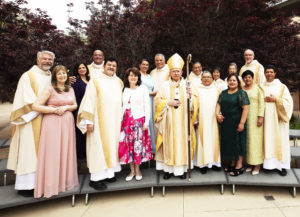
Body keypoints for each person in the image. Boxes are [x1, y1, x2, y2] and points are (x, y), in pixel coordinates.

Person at [7, 50, 55, 197]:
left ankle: (44, 183)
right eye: (45, 59)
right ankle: (27, 185)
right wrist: (43, 110)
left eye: (50, 60)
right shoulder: (28, 76)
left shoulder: (51, 77)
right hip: (31, 120)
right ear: (38, 60)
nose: (47, 62)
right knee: (29, 153)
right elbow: (26, 100)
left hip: (49, 120)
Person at [32, 65, 78, 198]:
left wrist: (66, 107)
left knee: (65, 151)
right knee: (53, 153)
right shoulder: (49, 89)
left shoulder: (70, 89)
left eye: (64, 73)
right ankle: (50, 186)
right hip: (52, 124)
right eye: (59, 74)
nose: (62, 76)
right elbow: (36, 106)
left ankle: (63, 182)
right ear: (55, 76)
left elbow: (75, 105)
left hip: (67, 124)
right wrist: (54, 110)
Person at [77, 57, 123, 190]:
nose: (111, 67)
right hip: (98, 122)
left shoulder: (118, 82)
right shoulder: (95, 81)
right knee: (98, 149)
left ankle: (109, 173)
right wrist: (88, 121)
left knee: (112, 147)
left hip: (114, 122)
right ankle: (95, 179)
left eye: (114, 66)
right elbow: (89, 101)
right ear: (103, 66)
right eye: (109, 65)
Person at [154, 53, 198, 179]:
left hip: (184, 123)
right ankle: (168, 170)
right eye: (173, 71)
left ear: (182, 71)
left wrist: (191, 97)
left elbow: (195, 102)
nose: (176, 74)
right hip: (169, 122)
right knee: (169, 144)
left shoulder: (188, 85)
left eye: (178, 71)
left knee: (183, 145)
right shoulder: (164, 86)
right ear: (170, 72)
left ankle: (182, 170)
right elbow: (157, 102)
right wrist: (168, 102)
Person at [119, 67, 153, 181]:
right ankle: (131, 170)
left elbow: (147, 106)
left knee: (137, 146)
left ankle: (138, 169)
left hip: (138, 122)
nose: (133, 77)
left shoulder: (142, 89)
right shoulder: (125, 89)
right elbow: (122, 106)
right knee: (128, 146)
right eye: (130, 75)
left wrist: (146, 122)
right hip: (126, 123)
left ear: (138, 77)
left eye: (135, 75)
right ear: (127, 77)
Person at [262, 65, 293, 176]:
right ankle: (268, 165)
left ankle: (282, 166)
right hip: (266, 120)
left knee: (280, 141)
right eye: (267, 72)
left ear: (275, 73)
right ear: (264, 73)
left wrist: (276, 99)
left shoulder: (282, 87)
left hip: (278, 120)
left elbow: (288, 102)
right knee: (268, 141)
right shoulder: (261, 86)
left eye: (271, 72)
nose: (269, 74)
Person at [216, 74, 250, 176]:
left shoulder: (241, 93)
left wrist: (242, 123)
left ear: (238, 82)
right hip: (227, 123)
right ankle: (232, 162)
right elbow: (218, 104)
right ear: (227, 82)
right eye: (230, 80)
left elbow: (246, 108)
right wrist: (217, 114)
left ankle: (239, 165)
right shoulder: (223, 93)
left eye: (234, 80)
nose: (232, 82)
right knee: (230, 143)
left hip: (237, 122)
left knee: (238, 143)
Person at [194, 71, 221, 174]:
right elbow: (194, 106)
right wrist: (195, 120)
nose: (206, 79)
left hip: (213, 119)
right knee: (202, 141)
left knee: (214, 140)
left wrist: (219, 114)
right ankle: (203, 164)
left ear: (212, 78)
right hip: (202, 120)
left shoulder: (217, 89)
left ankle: (215, 162)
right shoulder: (196, 90)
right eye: (204, 77)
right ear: (201, 79)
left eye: (209, 77)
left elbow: (220, 103)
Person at [242, 70, 265, 175]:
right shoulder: (242, 89)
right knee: (247, 141)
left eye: (249, 77)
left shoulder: (258, 88)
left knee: (255, 142)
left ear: (252, 78)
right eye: (245, 77)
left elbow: (262, 103)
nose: (247, 79)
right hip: (244, 118)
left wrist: (260, 117)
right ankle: (250, 164)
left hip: (255, 119)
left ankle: (257, 165)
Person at [72, 63, 90, 160]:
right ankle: (81, 155)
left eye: (83, 67)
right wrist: (79, 111)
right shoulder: (76, 82)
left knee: (89, 131)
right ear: (77, 70)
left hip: (90, 110)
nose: (82, 69)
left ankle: (88, 151)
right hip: (81, 110)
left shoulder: (90, 80)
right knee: (81, 132)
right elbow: (76, 97)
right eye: (80, 68)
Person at [139, 59, 157, 153]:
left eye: (147, 65)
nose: (145, 66)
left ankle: (151, 147)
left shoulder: (149, 76)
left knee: (151, 122)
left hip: (151, 100)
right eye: (143, 64)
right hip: (143, 100)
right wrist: (151, 93)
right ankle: (143, 148)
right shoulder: (138, 76)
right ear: (139, 65)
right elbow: (138, 89)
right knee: (145, 121)